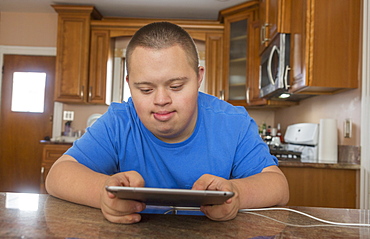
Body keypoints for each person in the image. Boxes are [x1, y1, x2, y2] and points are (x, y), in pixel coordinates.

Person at [46, 22, 289, 224]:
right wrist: (102, 192)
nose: (161, 100)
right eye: (146, 89)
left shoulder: (233, 122)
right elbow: (57, 175)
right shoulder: (119, 121)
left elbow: (278, 186)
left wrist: (237, 195)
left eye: (176, 86)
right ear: (130, 85)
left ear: (199, 78)